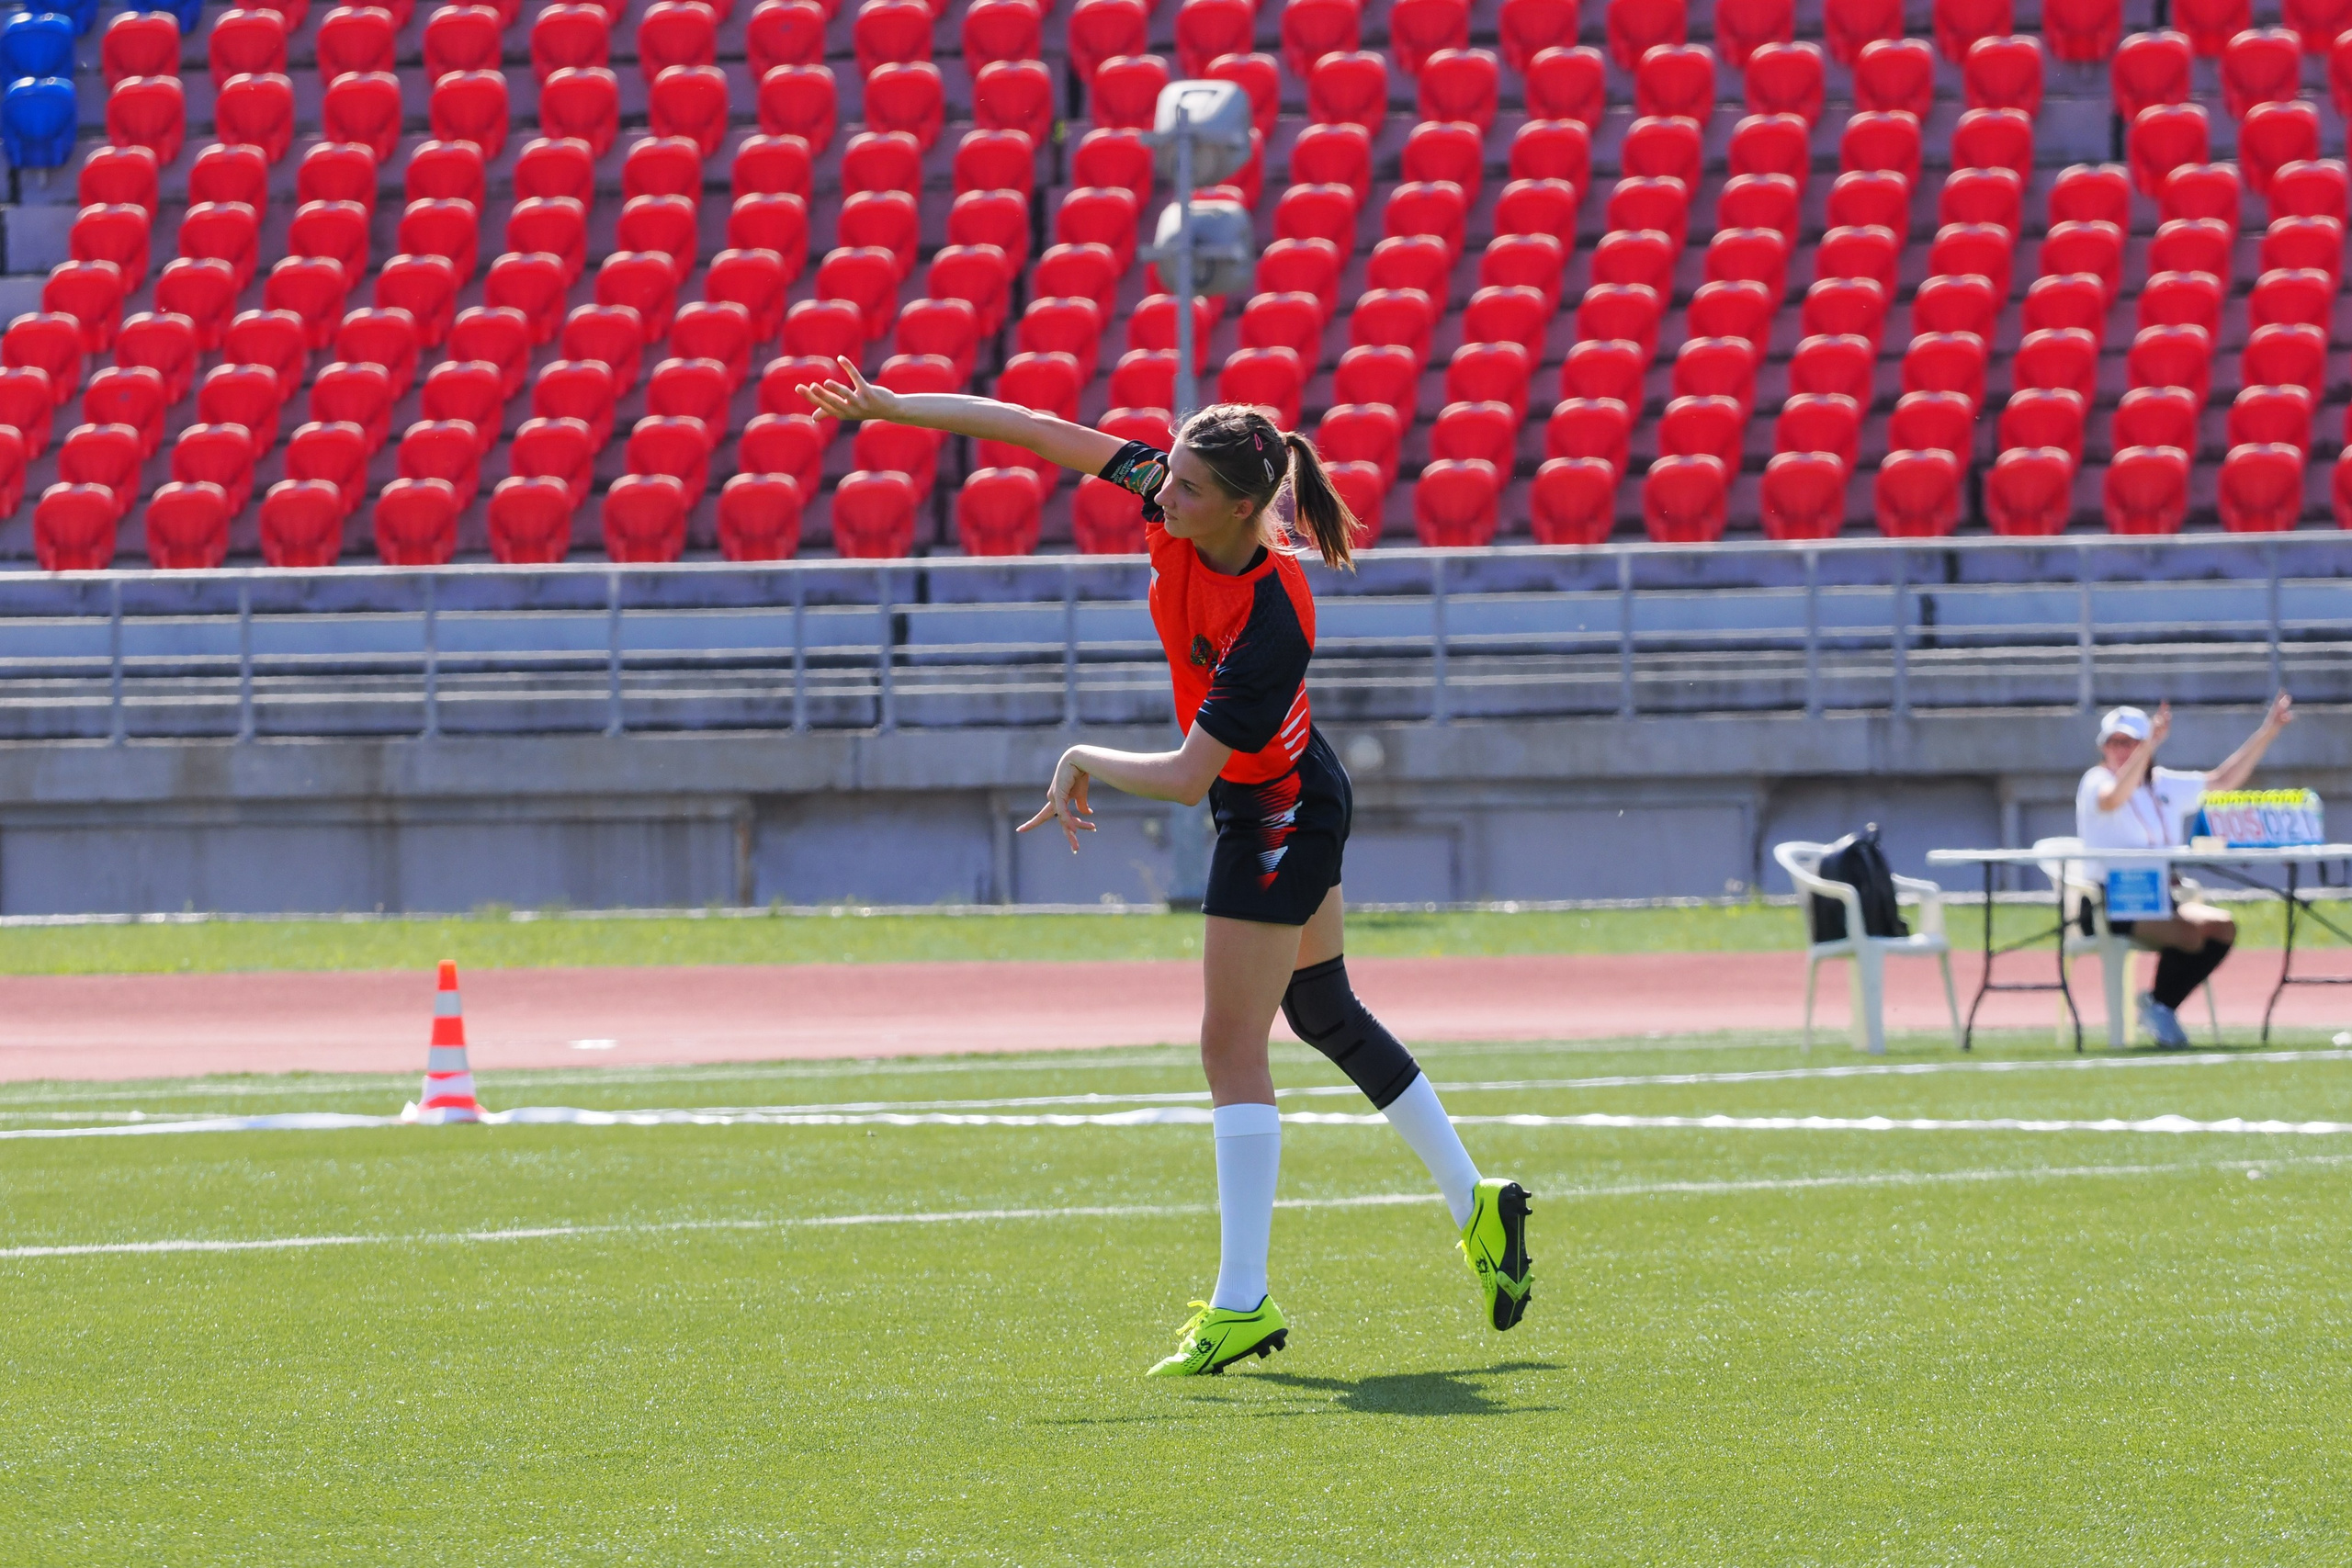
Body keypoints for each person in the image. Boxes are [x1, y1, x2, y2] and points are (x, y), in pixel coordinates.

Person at [800, 361, 1533, 1376]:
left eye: (1186, 487)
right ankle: (1478, 1205)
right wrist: (892, 408)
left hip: (1273, 810)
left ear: (1243, 508)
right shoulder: (1174, 492)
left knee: (1230, 1045)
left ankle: (1243, 1302)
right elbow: (1029, 426)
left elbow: (1192, 778)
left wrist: (1084, 756)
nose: (1161, 494)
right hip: (1286, 790)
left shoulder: (1274, 616)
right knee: (1321, 1014)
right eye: (1167, 475)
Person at [2075, 694, 2294, 1047]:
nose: (2122, 749)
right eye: (2115, 742)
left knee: (2221, 927)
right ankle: (2158, 1007)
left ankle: (2161, 1004)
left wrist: (2268, 733)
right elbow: (2113, 798)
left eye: (2130, 742)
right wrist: (2148, 747)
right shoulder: (2095, 781)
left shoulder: (2160, 784)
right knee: (2190, 934)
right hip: (2116, 899)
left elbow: (2222, 781)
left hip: (2161, 896)